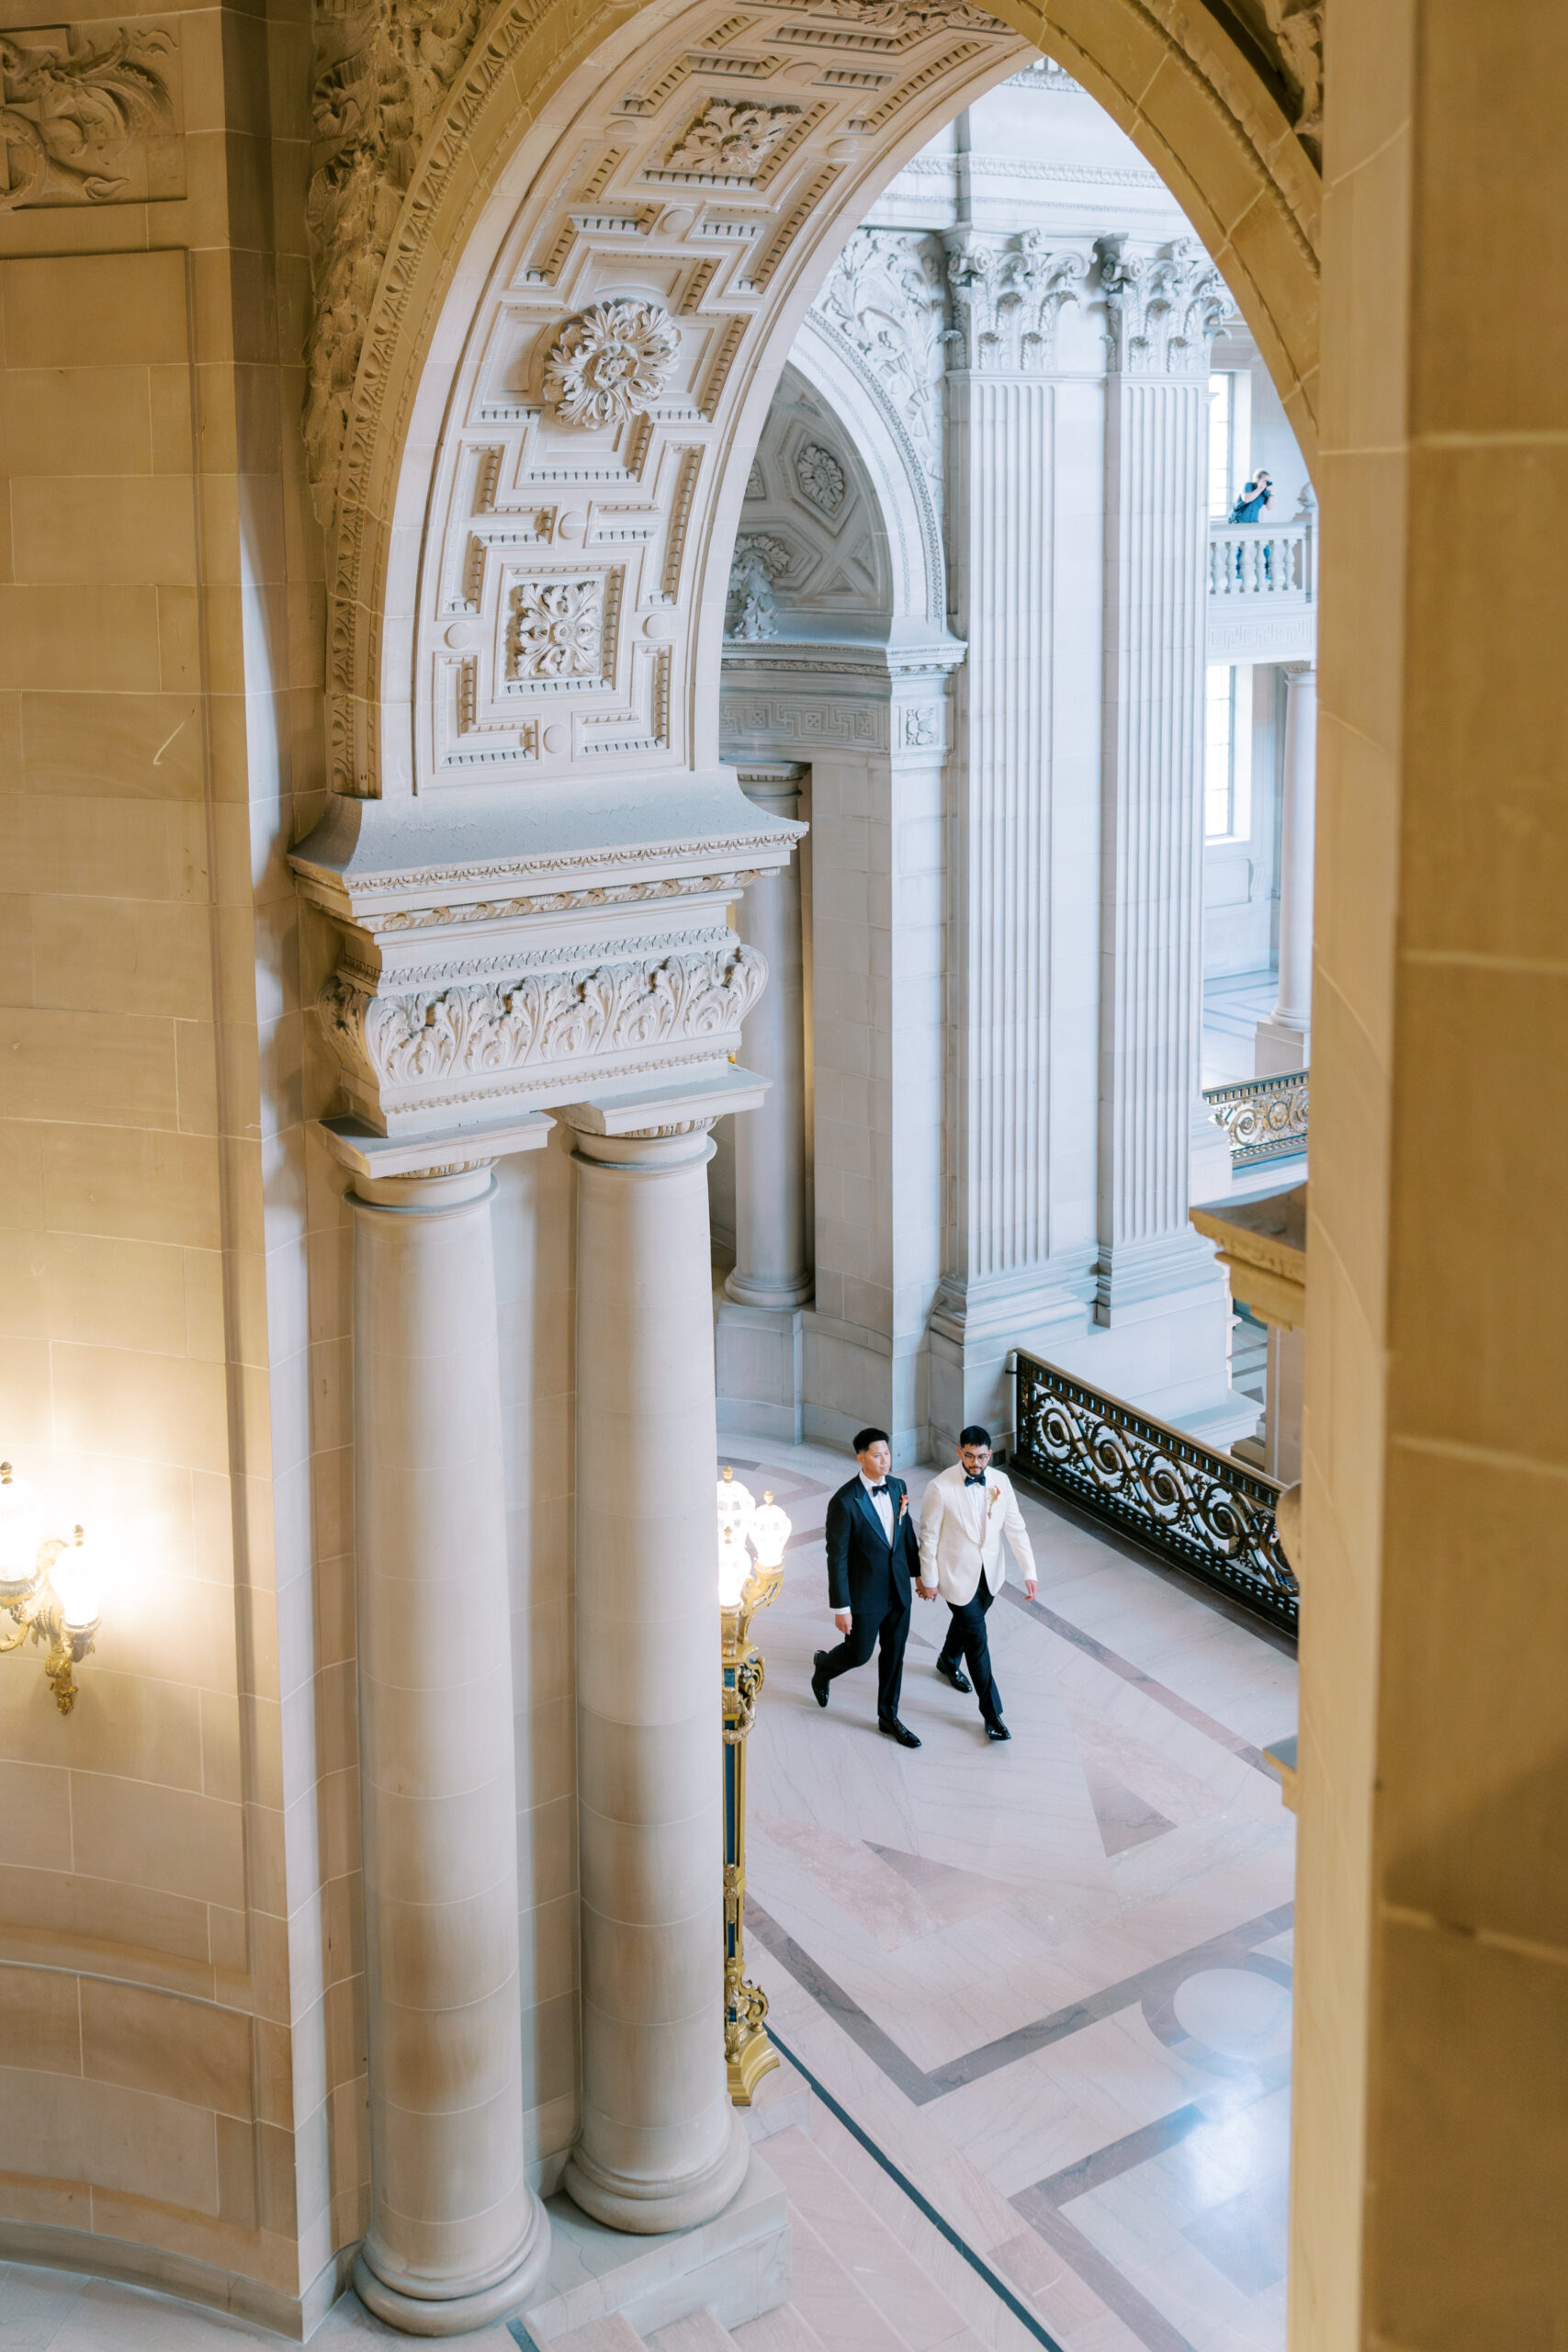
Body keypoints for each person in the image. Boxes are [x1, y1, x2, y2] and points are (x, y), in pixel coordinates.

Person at [917, 1424, 1037, 1742]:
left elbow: (1015, 1529)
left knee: (968, 1626)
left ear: (990, 1454)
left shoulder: (1001, 1482)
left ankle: (947, 1661)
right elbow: (927, 1539)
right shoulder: (939, 1488)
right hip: (955, 1576)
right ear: (960, 1452)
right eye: (969, 1456)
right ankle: (992, 1715)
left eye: (981, 1457)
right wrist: (928, 1579)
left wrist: (1029, 1572)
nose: (975, 1463)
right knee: (978, 1640)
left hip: (990, 1575)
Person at [812, 1428, 923, 1747]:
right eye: (877, 1455)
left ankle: (888, 1717)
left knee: (894, 1654)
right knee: (859, 1654)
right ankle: (824, 1666)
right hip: (865, 1595)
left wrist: (918, 1575)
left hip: (899, 1590)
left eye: (887, 1453)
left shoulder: (898, 1486)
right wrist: (841, 1607)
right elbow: (838, 1557)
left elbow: (905, 1535)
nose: (884, 1460)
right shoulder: (845, 1502)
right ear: (860, 1457)